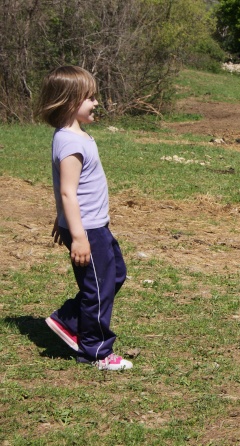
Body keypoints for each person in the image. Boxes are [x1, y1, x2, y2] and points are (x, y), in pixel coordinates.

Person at [35, 66, 132, 371]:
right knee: (98, 290)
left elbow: (68, 192)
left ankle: (67, 319)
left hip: (91, 226)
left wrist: (64, 220)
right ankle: (96, 352)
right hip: (87, 230)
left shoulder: (74, 136)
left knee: (114, 275)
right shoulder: (71, 143)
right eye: (89, 97)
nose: (96, 102)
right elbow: (67, 191)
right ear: (68, 102)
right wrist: (76, 235)